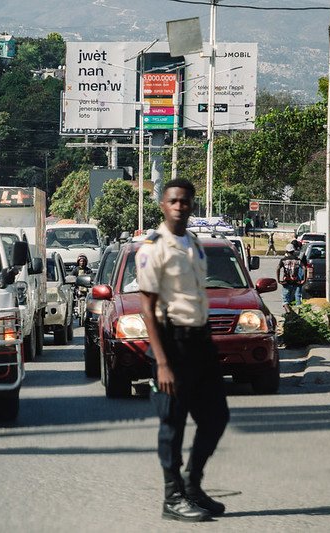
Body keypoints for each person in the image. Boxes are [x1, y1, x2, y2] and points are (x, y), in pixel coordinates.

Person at [136, 178, 229, 523]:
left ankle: (192, 484)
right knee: (172, 425)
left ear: (192, 205)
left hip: (200, 343)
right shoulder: (153, 247)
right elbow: (147, 308)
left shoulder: (194, 243)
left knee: (216, 417)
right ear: (163, 204)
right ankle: (171, 498)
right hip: (171, 344)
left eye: (186, 201)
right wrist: (161, 362)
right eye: (174, 200)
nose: (180, 206)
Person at [277, 243, 305, 312]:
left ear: (286, 252)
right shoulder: (298, 260)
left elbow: (278, 268)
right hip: (295, 282)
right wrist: (304, 279)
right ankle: (298, 312)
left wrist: (278, 280)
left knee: (286, 300)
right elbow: (304, 268)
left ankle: (288, 312)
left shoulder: (283, 260)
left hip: (286, 282)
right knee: (296, 298)